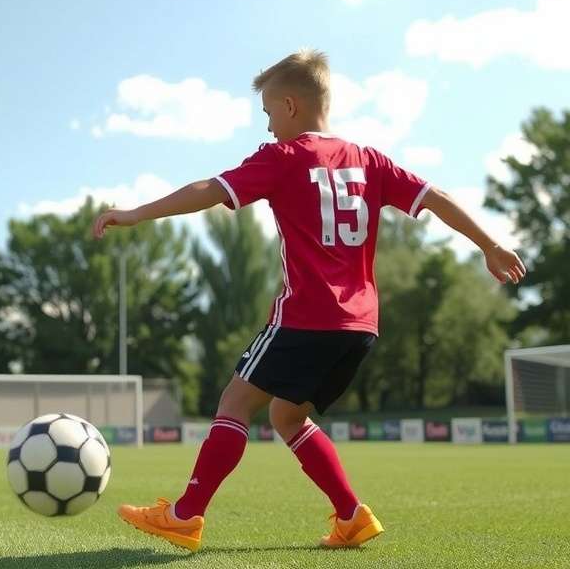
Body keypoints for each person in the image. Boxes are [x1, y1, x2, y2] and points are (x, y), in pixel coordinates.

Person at [91, 49, 526, 552]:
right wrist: (490, 245)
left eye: (270, 113)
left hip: (305, 315)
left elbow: (210, 189)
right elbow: (435, 197)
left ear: (292, 106)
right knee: (286, 416)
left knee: (236, 401)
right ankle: (351, 516)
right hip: (360, 326)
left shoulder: (283, 158)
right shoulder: (370, 160)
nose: (270, 127)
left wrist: (138, 213)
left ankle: (185, 516)